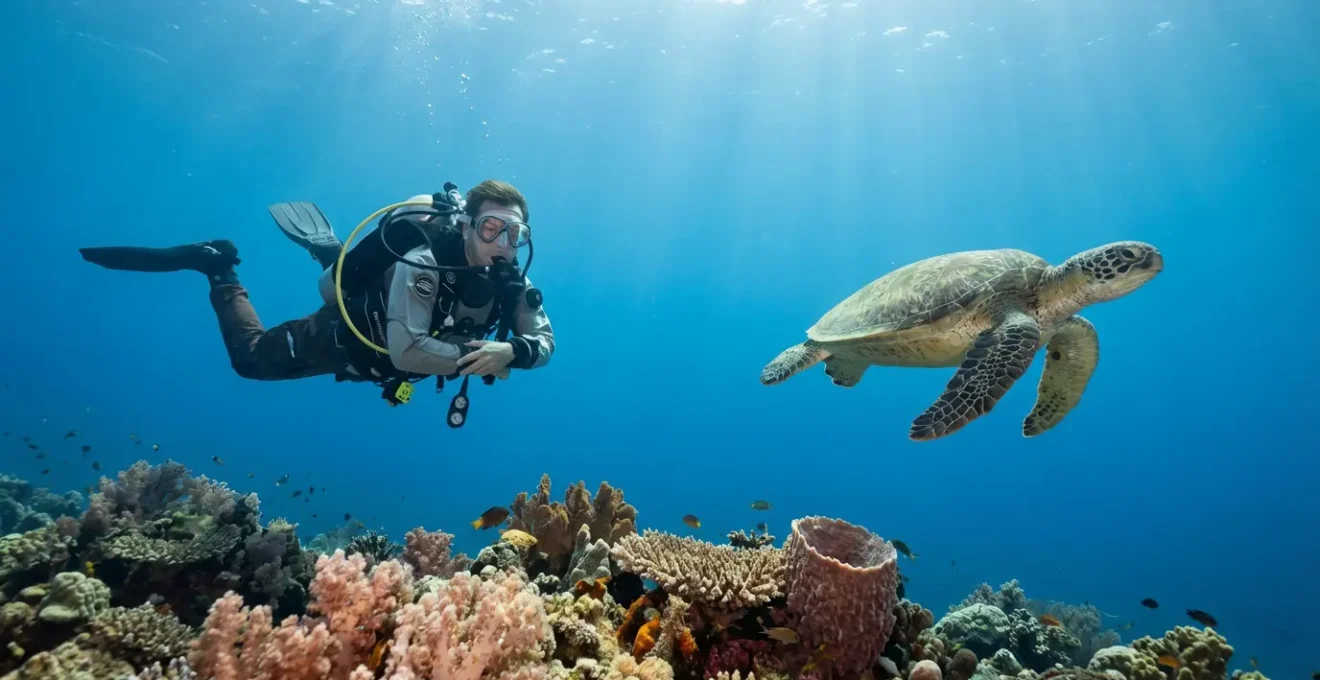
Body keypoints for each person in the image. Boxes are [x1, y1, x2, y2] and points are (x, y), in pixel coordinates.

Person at [79, 180, 554, 425]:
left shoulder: (514, 281)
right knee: (250, 360)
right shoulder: (423, 263)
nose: (504, 243)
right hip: (345, 339)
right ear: (469, 225)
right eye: (492, 227)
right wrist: (479, 360)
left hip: (393, 365)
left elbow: (544, 339)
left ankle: (335, 252)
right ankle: (216, 268)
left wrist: (511, 352)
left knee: (358, 273)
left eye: (516, 233)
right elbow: (407, 351)